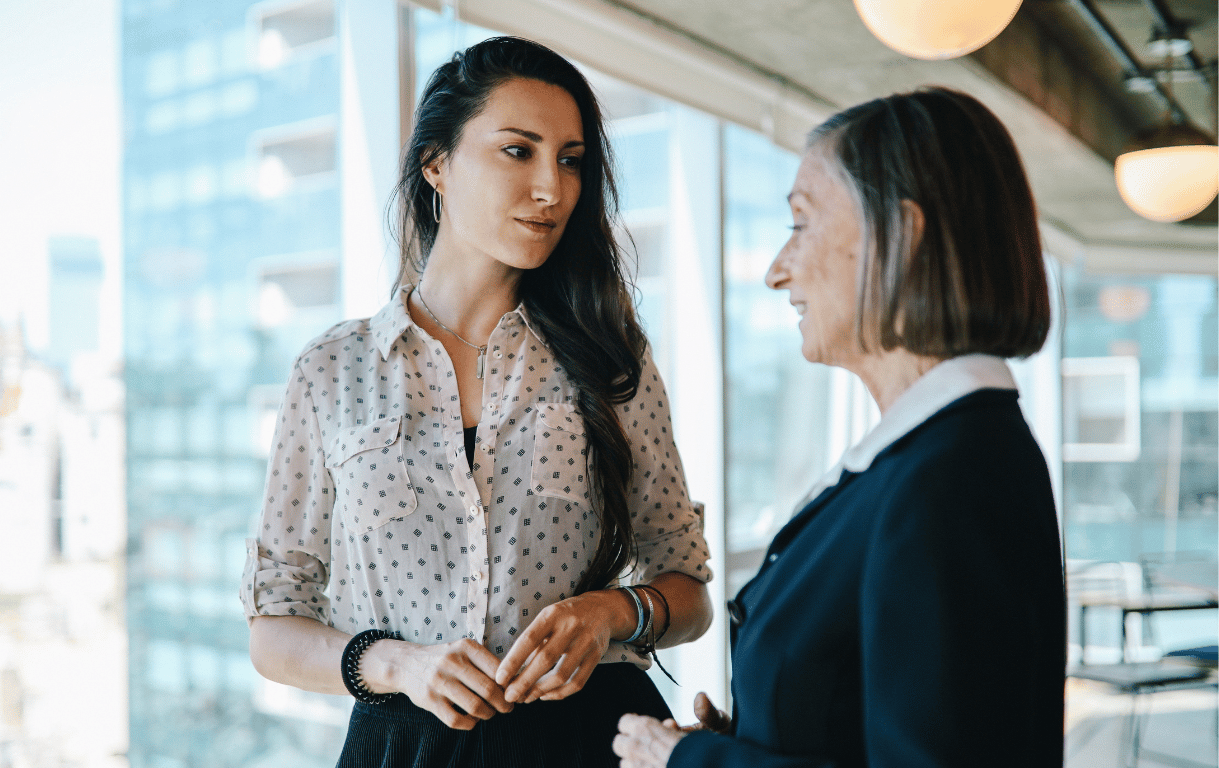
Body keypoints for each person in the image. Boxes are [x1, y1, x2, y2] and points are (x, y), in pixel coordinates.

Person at [240, 36, 713, 768]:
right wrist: (397, 664)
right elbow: (274, 628)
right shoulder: (331, 371)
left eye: (571, 160)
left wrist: (610, 612)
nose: (552, 188)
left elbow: (687, 588)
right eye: (518, 151)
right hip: (406, 746)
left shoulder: (611, 358)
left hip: (592, 741)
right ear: (437, 163)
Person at [614, 86, 1066, 767]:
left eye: (801, 223)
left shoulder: (948, 482)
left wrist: (691, 763)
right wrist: (757, 734)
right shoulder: (932, 462)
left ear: (901, 237)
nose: (776, 270)